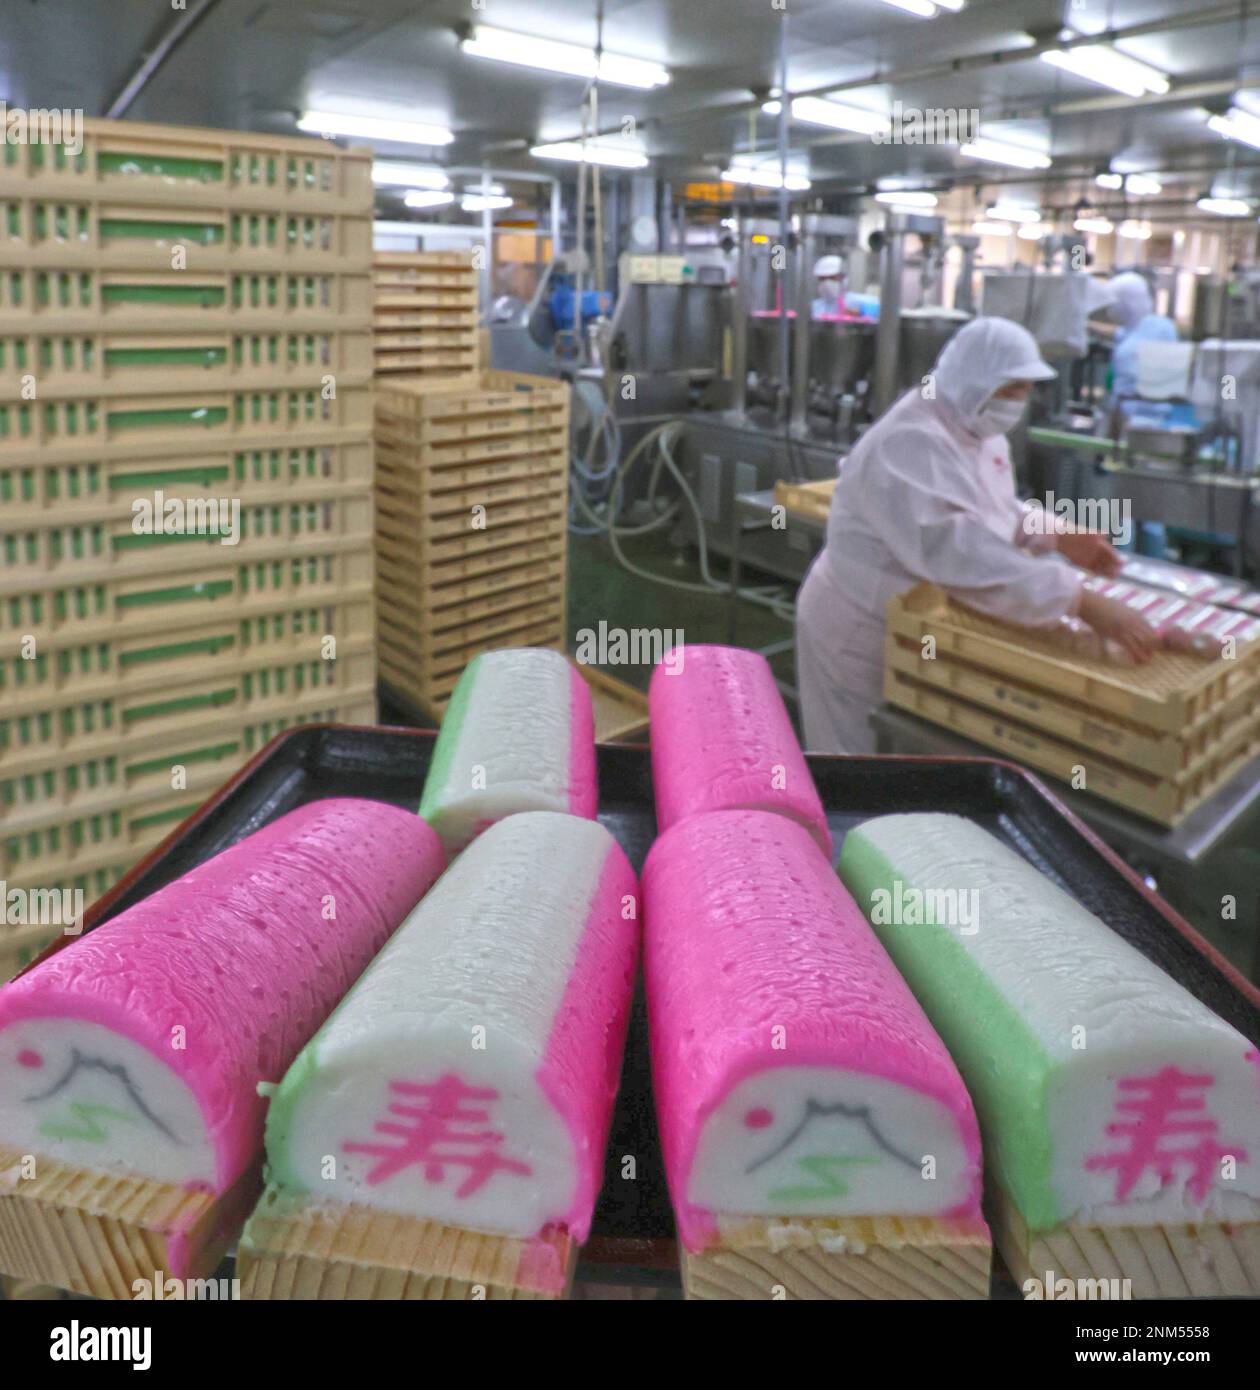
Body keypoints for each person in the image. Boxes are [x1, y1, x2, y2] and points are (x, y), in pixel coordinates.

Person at [795, 316, 1158, 755]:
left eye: (1024, 390)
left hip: (915, 623)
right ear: (973, 381)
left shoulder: (976, 429)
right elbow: (962, 553)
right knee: (854, 762)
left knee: (901, 763)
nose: (1018, 403)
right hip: (857, 628)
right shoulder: (910, 441)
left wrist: (1060, 536)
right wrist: (1082, 601)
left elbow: (993, 511)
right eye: (1010, 390)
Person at [1108, 271, 1178, 405]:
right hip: (1123, 407)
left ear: (1127, 302)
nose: (1111, 308)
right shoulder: (1130, 329)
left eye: (1114, 301)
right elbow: (1117, 334)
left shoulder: (1159, 328)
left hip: (1144, 411)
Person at [811, 254, 845, 319]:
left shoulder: (862, 304)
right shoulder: (814, 307)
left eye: (832, 278)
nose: (827, 283)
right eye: (822, 279)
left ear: (843, 278)